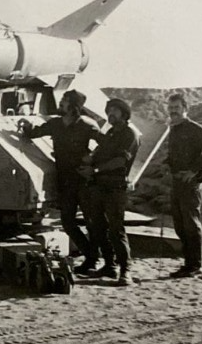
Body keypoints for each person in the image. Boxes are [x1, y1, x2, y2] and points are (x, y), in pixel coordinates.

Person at [18, 90, 104, 272]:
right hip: (65, 181)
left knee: (92, 222)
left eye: (65, 100)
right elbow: (34, 133)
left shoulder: (88, 126)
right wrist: (25, 125)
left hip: (84, 181)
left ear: (73, 106)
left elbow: (105, 145)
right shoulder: (55, 124)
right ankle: (91, 256)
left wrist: (92, 160)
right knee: (68, 222)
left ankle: (106, 262)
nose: (61, 103)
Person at [81, 98, 141, 286]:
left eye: (115, 111)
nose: (111, 114)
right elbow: (99, 151)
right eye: (109, 111)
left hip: (115, 188)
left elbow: (121, 161)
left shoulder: (130, 134)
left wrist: (96, 170)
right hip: (100, 186)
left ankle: (125, 271)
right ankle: (109, 265)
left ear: (124, 113)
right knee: (98, 227)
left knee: (116, 230)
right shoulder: (111, 132)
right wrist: (89, 159)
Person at [165, 92, 202, 278]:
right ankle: (188, 263)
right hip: (177, 182)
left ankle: (195, 265)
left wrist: (194, 170)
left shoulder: (194, 128)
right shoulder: (174, 129)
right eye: (171, 108)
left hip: (191, 183)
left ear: (185, 109)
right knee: (180, 225)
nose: (173, 112)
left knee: (191, 223)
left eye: (177, 108)